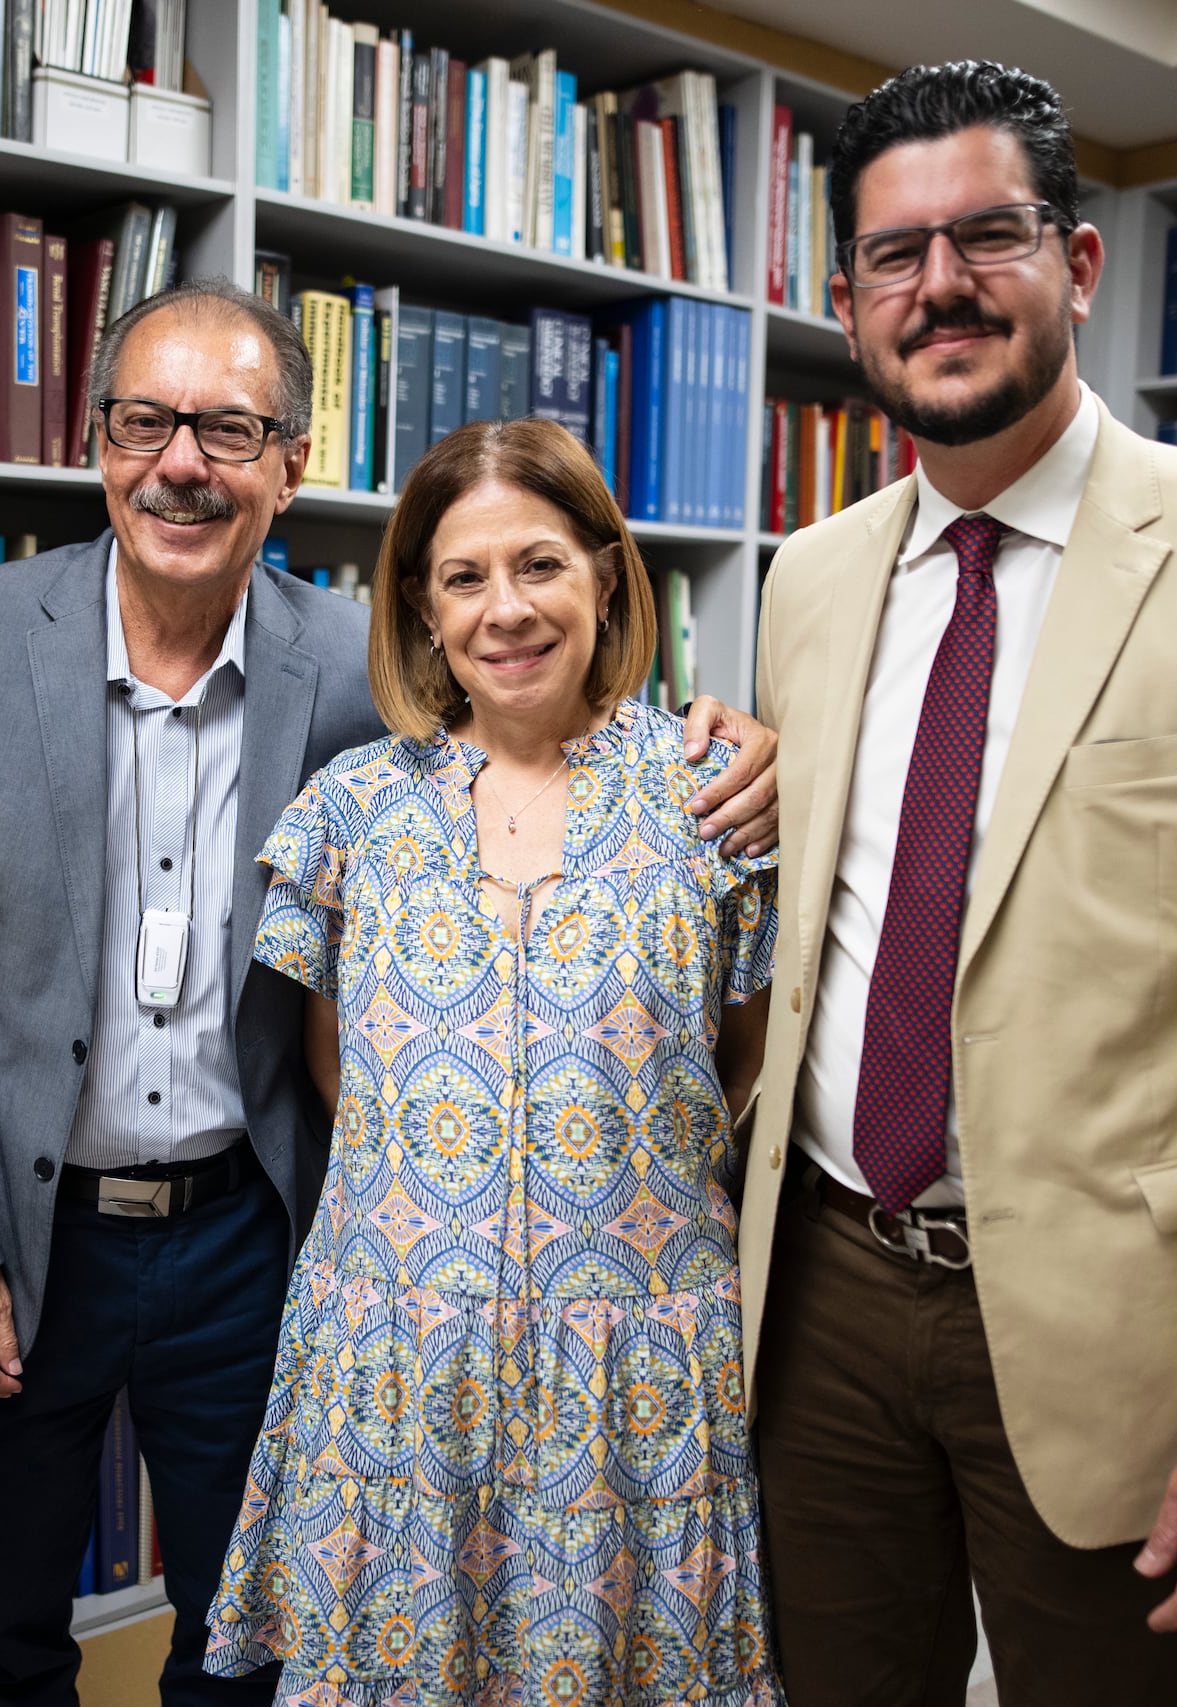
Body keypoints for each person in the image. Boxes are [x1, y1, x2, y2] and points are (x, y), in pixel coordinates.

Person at [0, 280, 782, 1707]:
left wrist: (734, 736)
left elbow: (712, 1039)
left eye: (229, 428)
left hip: (250, 1240)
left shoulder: (361, 700)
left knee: (249, 1648)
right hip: (20, 1237)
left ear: (291, 464)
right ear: (97, 441)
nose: (183, 461)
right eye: (145, 421)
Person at [738, 60, 1177, 1707]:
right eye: (893, 258)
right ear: (847, 303)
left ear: (1077, 261)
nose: (941, 289)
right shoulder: (813, 578)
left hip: (1111, 1329)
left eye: (986, 237)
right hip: (827, 1301)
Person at [203, 417, 784, 1707]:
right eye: (465, 578)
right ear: (419, 605)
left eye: (541, 566)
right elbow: (337, 1072)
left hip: (634, 1366)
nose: (505, 610)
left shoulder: (711, 796)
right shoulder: (353, 806)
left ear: (608, 576)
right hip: (403, 1353)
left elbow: (738, 1060)